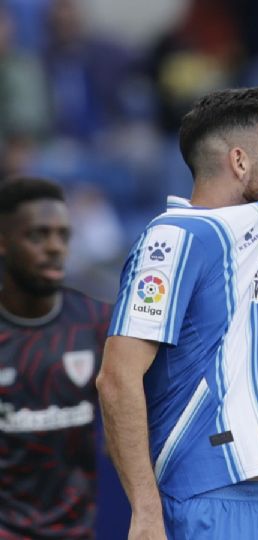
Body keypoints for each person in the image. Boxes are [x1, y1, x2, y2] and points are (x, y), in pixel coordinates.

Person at [95, 88, 258, 539]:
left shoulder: (255, 252)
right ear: (240, 162)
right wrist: (145, 514)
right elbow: (116, 379)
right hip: (202, 499)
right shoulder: (175, 238)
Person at [0, 177, 111, 539]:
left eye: (63, 235)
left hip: (76, 531)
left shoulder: (96, 323)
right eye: (38, 235)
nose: (55, 247)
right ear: (3, 242)